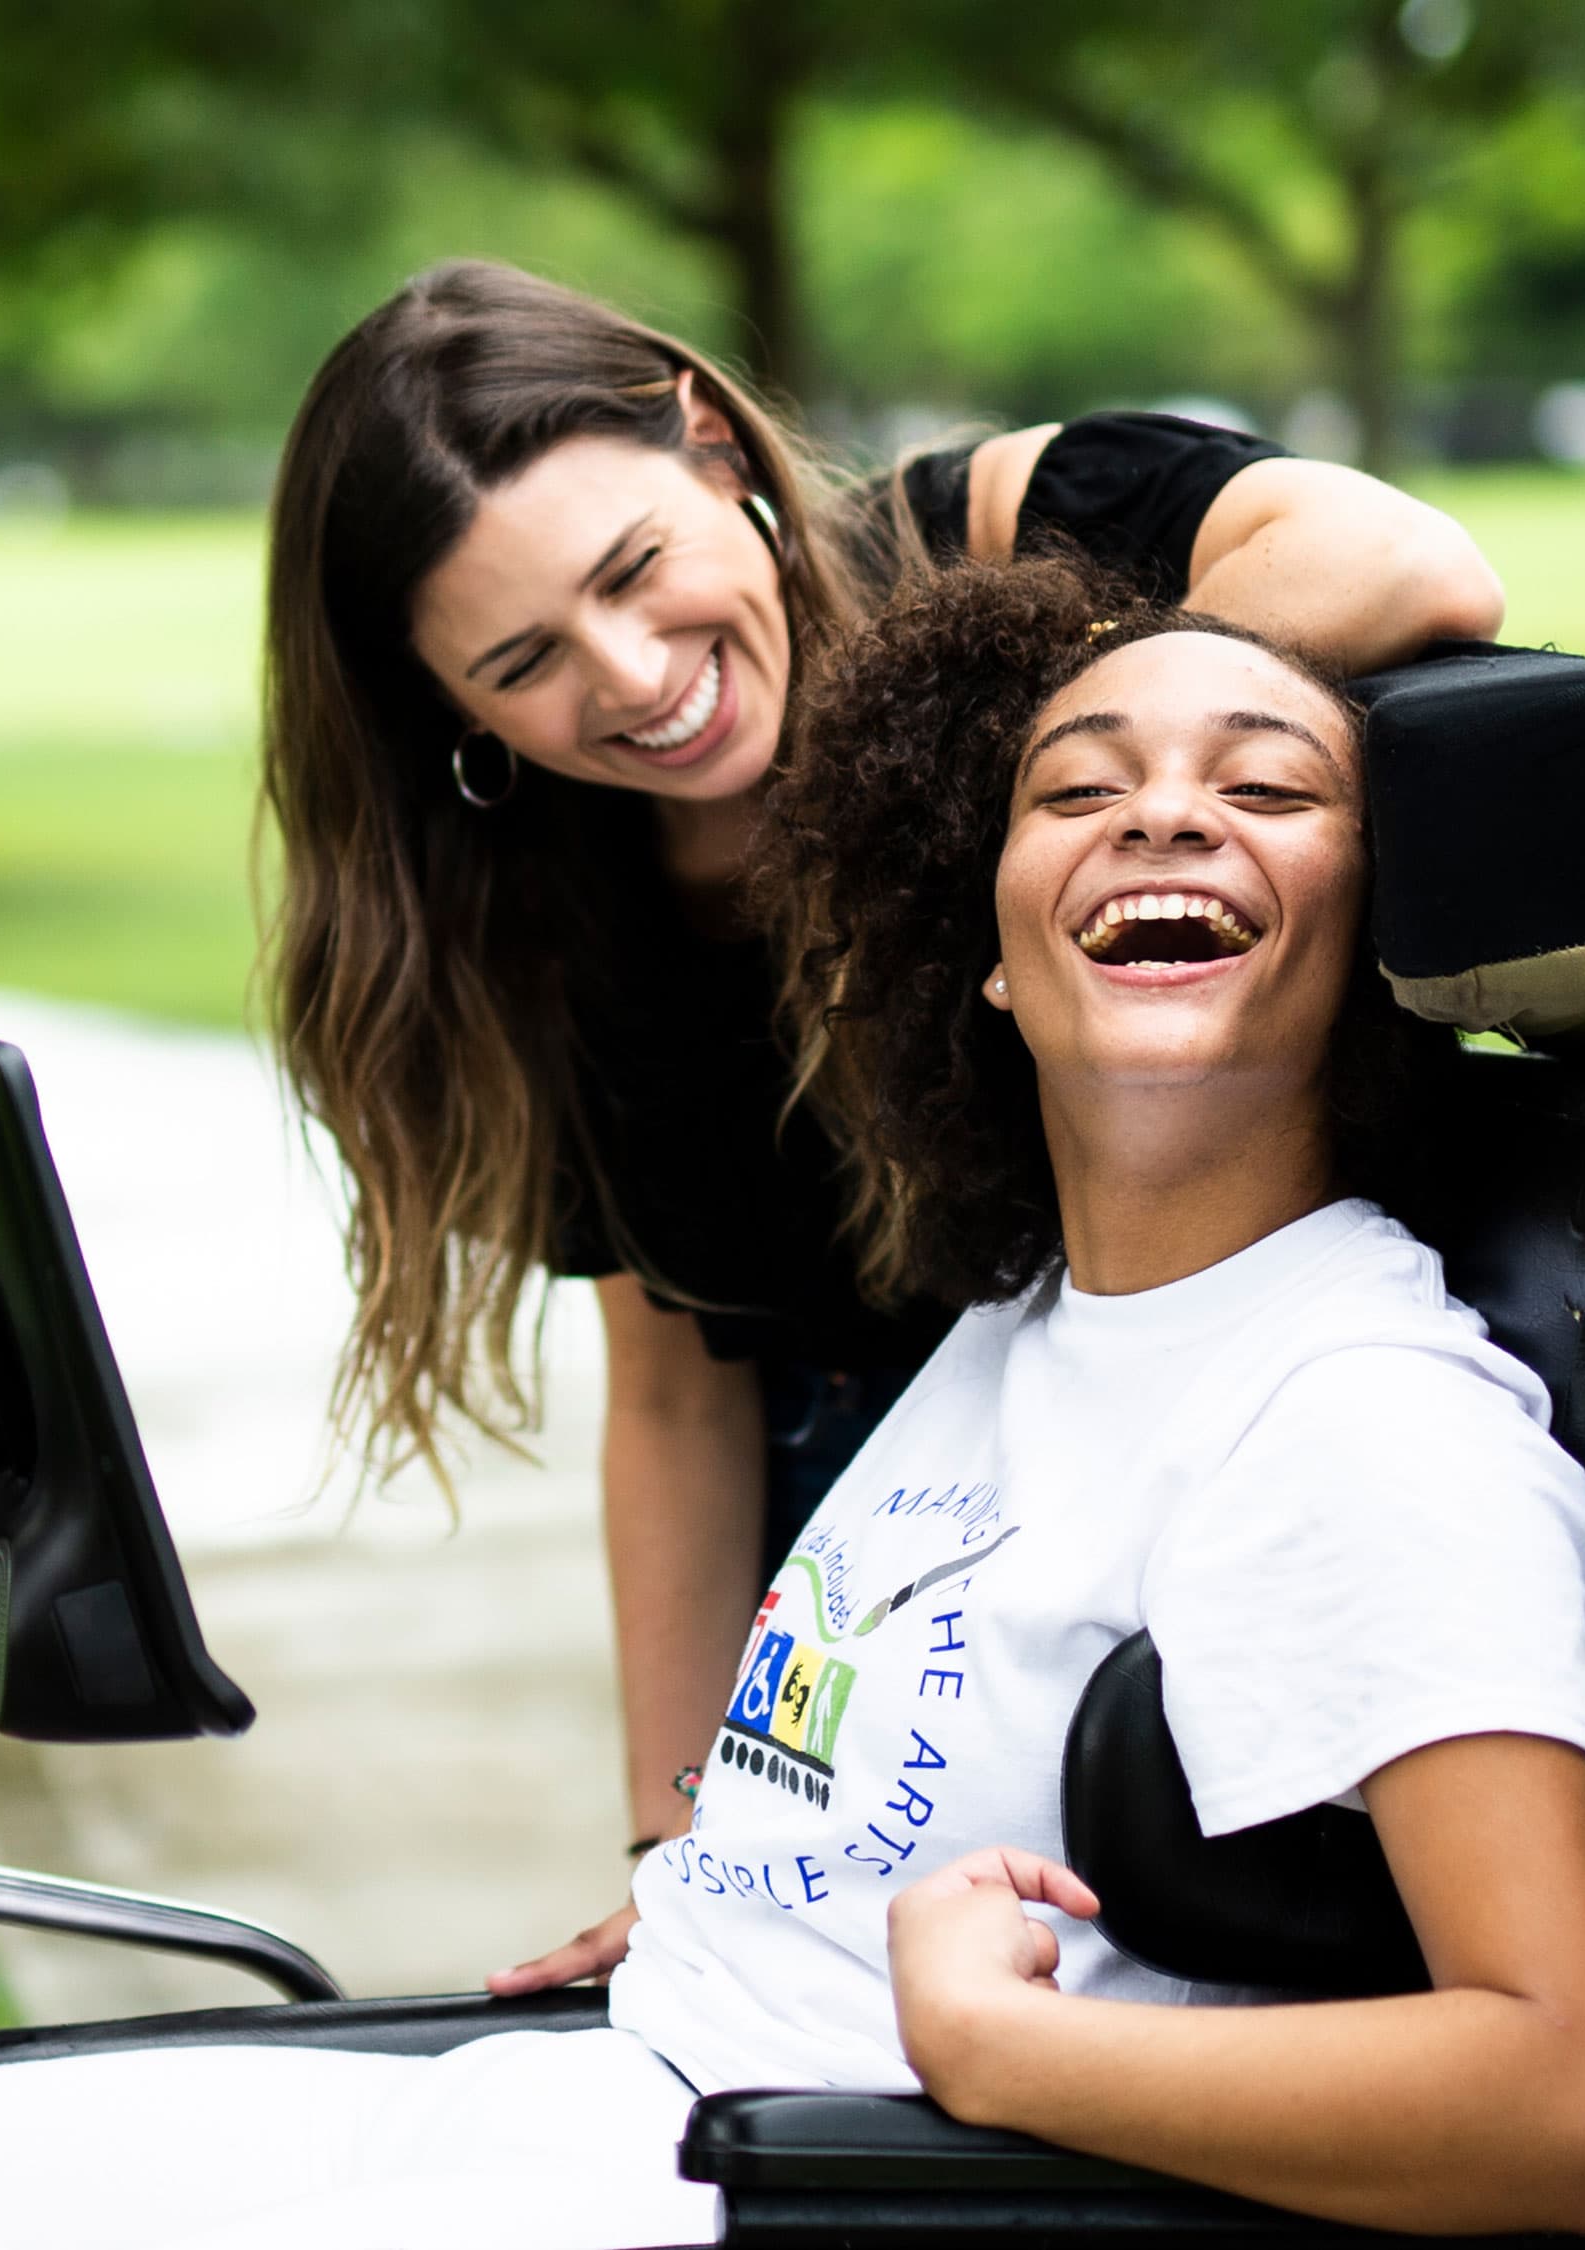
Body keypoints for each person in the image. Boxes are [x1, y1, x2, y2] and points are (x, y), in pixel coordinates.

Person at [0, 561, 1585, 2250]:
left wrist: (1012, 2058)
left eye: (1269, 786)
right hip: (606, 2088)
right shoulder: (1033, 1321)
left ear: (1369, 938)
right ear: (998, 955)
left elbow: (1567, 2108)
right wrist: (714, 1866)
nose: (1167, 813)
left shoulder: (1356, 1409)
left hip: (830, 2187)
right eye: (1079, 784)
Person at [258, 261, 1511, 1901]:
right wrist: (673, 1854)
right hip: (860, 1526)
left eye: (636, 568)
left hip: (1213, 1423)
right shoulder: (531, 904)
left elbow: (1414, 564)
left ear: (713, 445)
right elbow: (676, 1388)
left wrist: (1036, 779)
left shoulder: (985, 533)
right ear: (447, 709)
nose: (633, 675)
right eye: (522, 661)